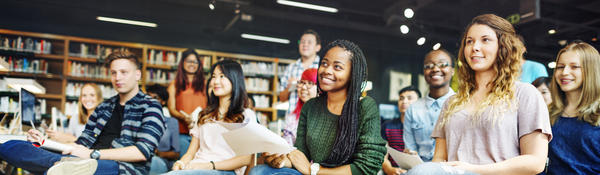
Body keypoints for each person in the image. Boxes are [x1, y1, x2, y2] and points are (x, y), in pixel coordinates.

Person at [408, 14, 552, 175]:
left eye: (485, 40)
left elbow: (535, 161)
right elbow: (439, 160)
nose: (475, 47)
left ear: (502, 46)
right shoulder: (451, 102)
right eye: (469, 41)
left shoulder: (524, 94)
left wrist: (473, 170)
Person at [0, 51, 165, 175]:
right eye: (114, 73)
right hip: (82, 159)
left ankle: (63, 166)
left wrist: (93, 154)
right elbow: (81, 143)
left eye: (124, 72)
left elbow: (142, 151)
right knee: (12, 145)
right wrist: (44, 142)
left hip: (120, 167)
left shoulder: (151, 106)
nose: (117, 77)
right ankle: (63, 165)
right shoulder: (103, 108)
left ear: (137, 75)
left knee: (85, 165)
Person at [250, 40, 386, 175]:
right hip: (312, 172)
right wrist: (282, 160)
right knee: (259, 171)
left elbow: (369, 165)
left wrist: (315, 171)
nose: (326, 70)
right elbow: (302, 156)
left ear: (352, 74)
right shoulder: (311, 106)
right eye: (324, 63)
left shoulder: (365, 106)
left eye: (337, 67)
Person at [165, 60, 256, 175]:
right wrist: (181, 163)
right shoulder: (204, 115)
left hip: (224, 171)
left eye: (222, 76)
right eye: (214, 76)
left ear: (235, 80)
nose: (215, 81)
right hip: (197, 168)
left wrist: (209, 165)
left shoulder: (246, 115)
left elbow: (245, 159)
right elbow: (190, 153)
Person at [546, 41, 600, 174]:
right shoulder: (548, 112)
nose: (564, 72)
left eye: (574, 67)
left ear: (590, 71)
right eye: (560, 67)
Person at [403, 49, 456, 163]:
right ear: (424, 71)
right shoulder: (412, 109)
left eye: (443, 64)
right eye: (429, 66)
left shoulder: (462, 105)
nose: (435, 69)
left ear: (453, 70)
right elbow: (410, 149)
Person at [167, 49, 208, 158]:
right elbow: (171, 109)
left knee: (200, 164)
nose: (192, 64)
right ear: (182, 63)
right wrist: (184, 117)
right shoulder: (174, 84)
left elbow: (211, 106)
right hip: (182, 133)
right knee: (184, 164)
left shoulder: (206, 84)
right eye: (189, 61)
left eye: (195, 62)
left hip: (202, 134)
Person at [278, 29, 321, 115]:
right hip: (293, 119)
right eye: (302, 42)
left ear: (318, 47)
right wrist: (291, 87)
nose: (305, 44)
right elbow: (282, 98)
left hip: (315, 117)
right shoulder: (290, 68)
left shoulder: (322, 67)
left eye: (309, 42)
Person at [381, 85, 421, 175]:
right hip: (393, 171)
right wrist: (389, 169)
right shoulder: (387, 126)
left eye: (409, 98)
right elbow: (382, 155)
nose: (404, 101)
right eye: (401, 98)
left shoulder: (424, 127)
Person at [146, 85, 180, 175]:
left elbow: (176, 153)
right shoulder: (140, 120)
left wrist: (158, 153)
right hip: (141, 159)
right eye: (148, 97)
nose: (151, 100)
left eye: (155, 98)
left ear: (163, 102)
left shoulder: (172, 122)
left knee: (153, 162)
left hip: (161, 161)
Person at [282, 68, 318, 145]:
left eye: (310, 83)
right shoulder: (292, 118)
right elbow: (286, 146)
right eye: (301, 82)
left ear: (320, 88)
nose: (304, 87)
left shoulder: (326, 117)